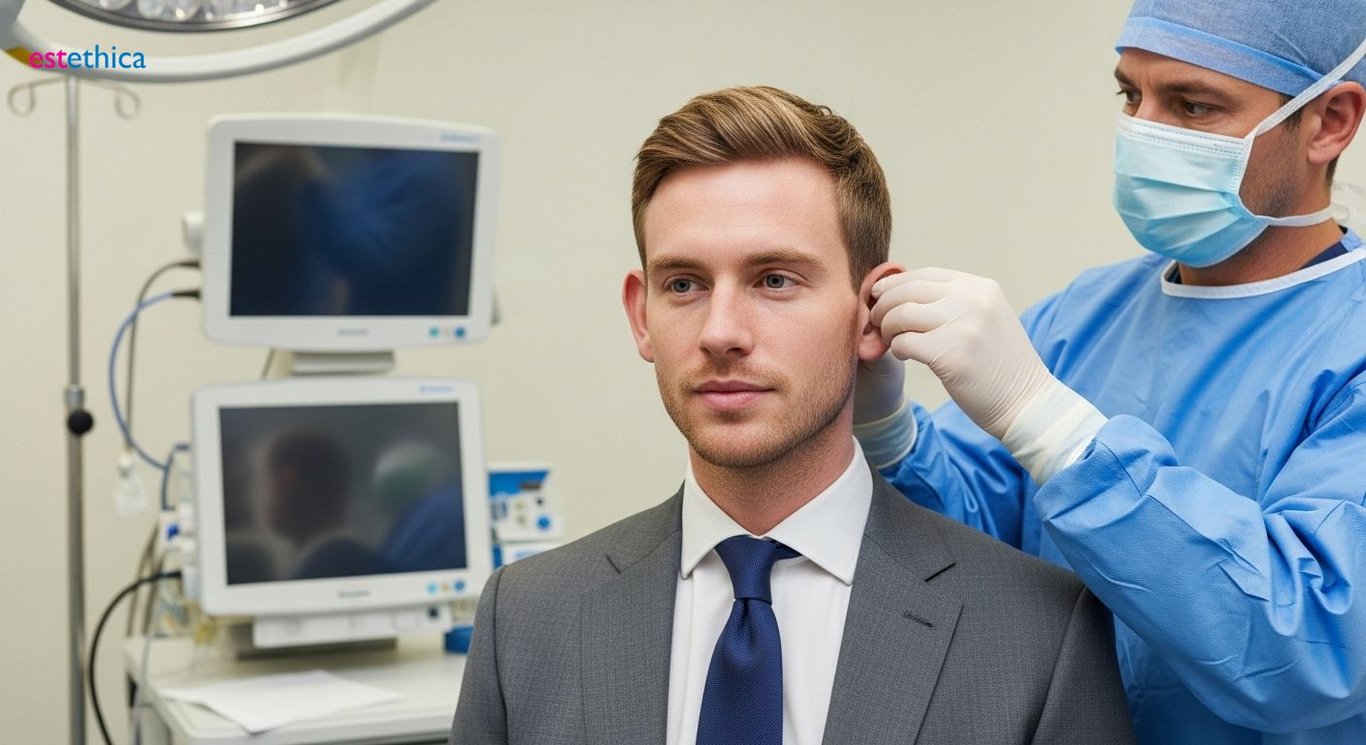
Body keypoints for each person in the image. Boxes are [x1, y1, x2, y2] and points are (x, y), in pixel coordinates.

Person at [450, 86, 1134, 745]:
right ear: (641, 315)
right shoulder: (527, 616)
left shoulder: (1038, 632)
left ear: (870, 313)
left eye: (775, 279)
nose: (721, 332)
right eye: (684, 284)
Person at [854, 2, 1366, 743]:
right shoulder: (1085, 315)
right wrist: (887, 432)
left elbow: (1306, 646)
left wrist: (1058, 433)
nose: (1145, 131)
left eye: (1193, 105)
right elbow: (974, 548)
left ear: (1330, 122)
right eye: (1132, 95)